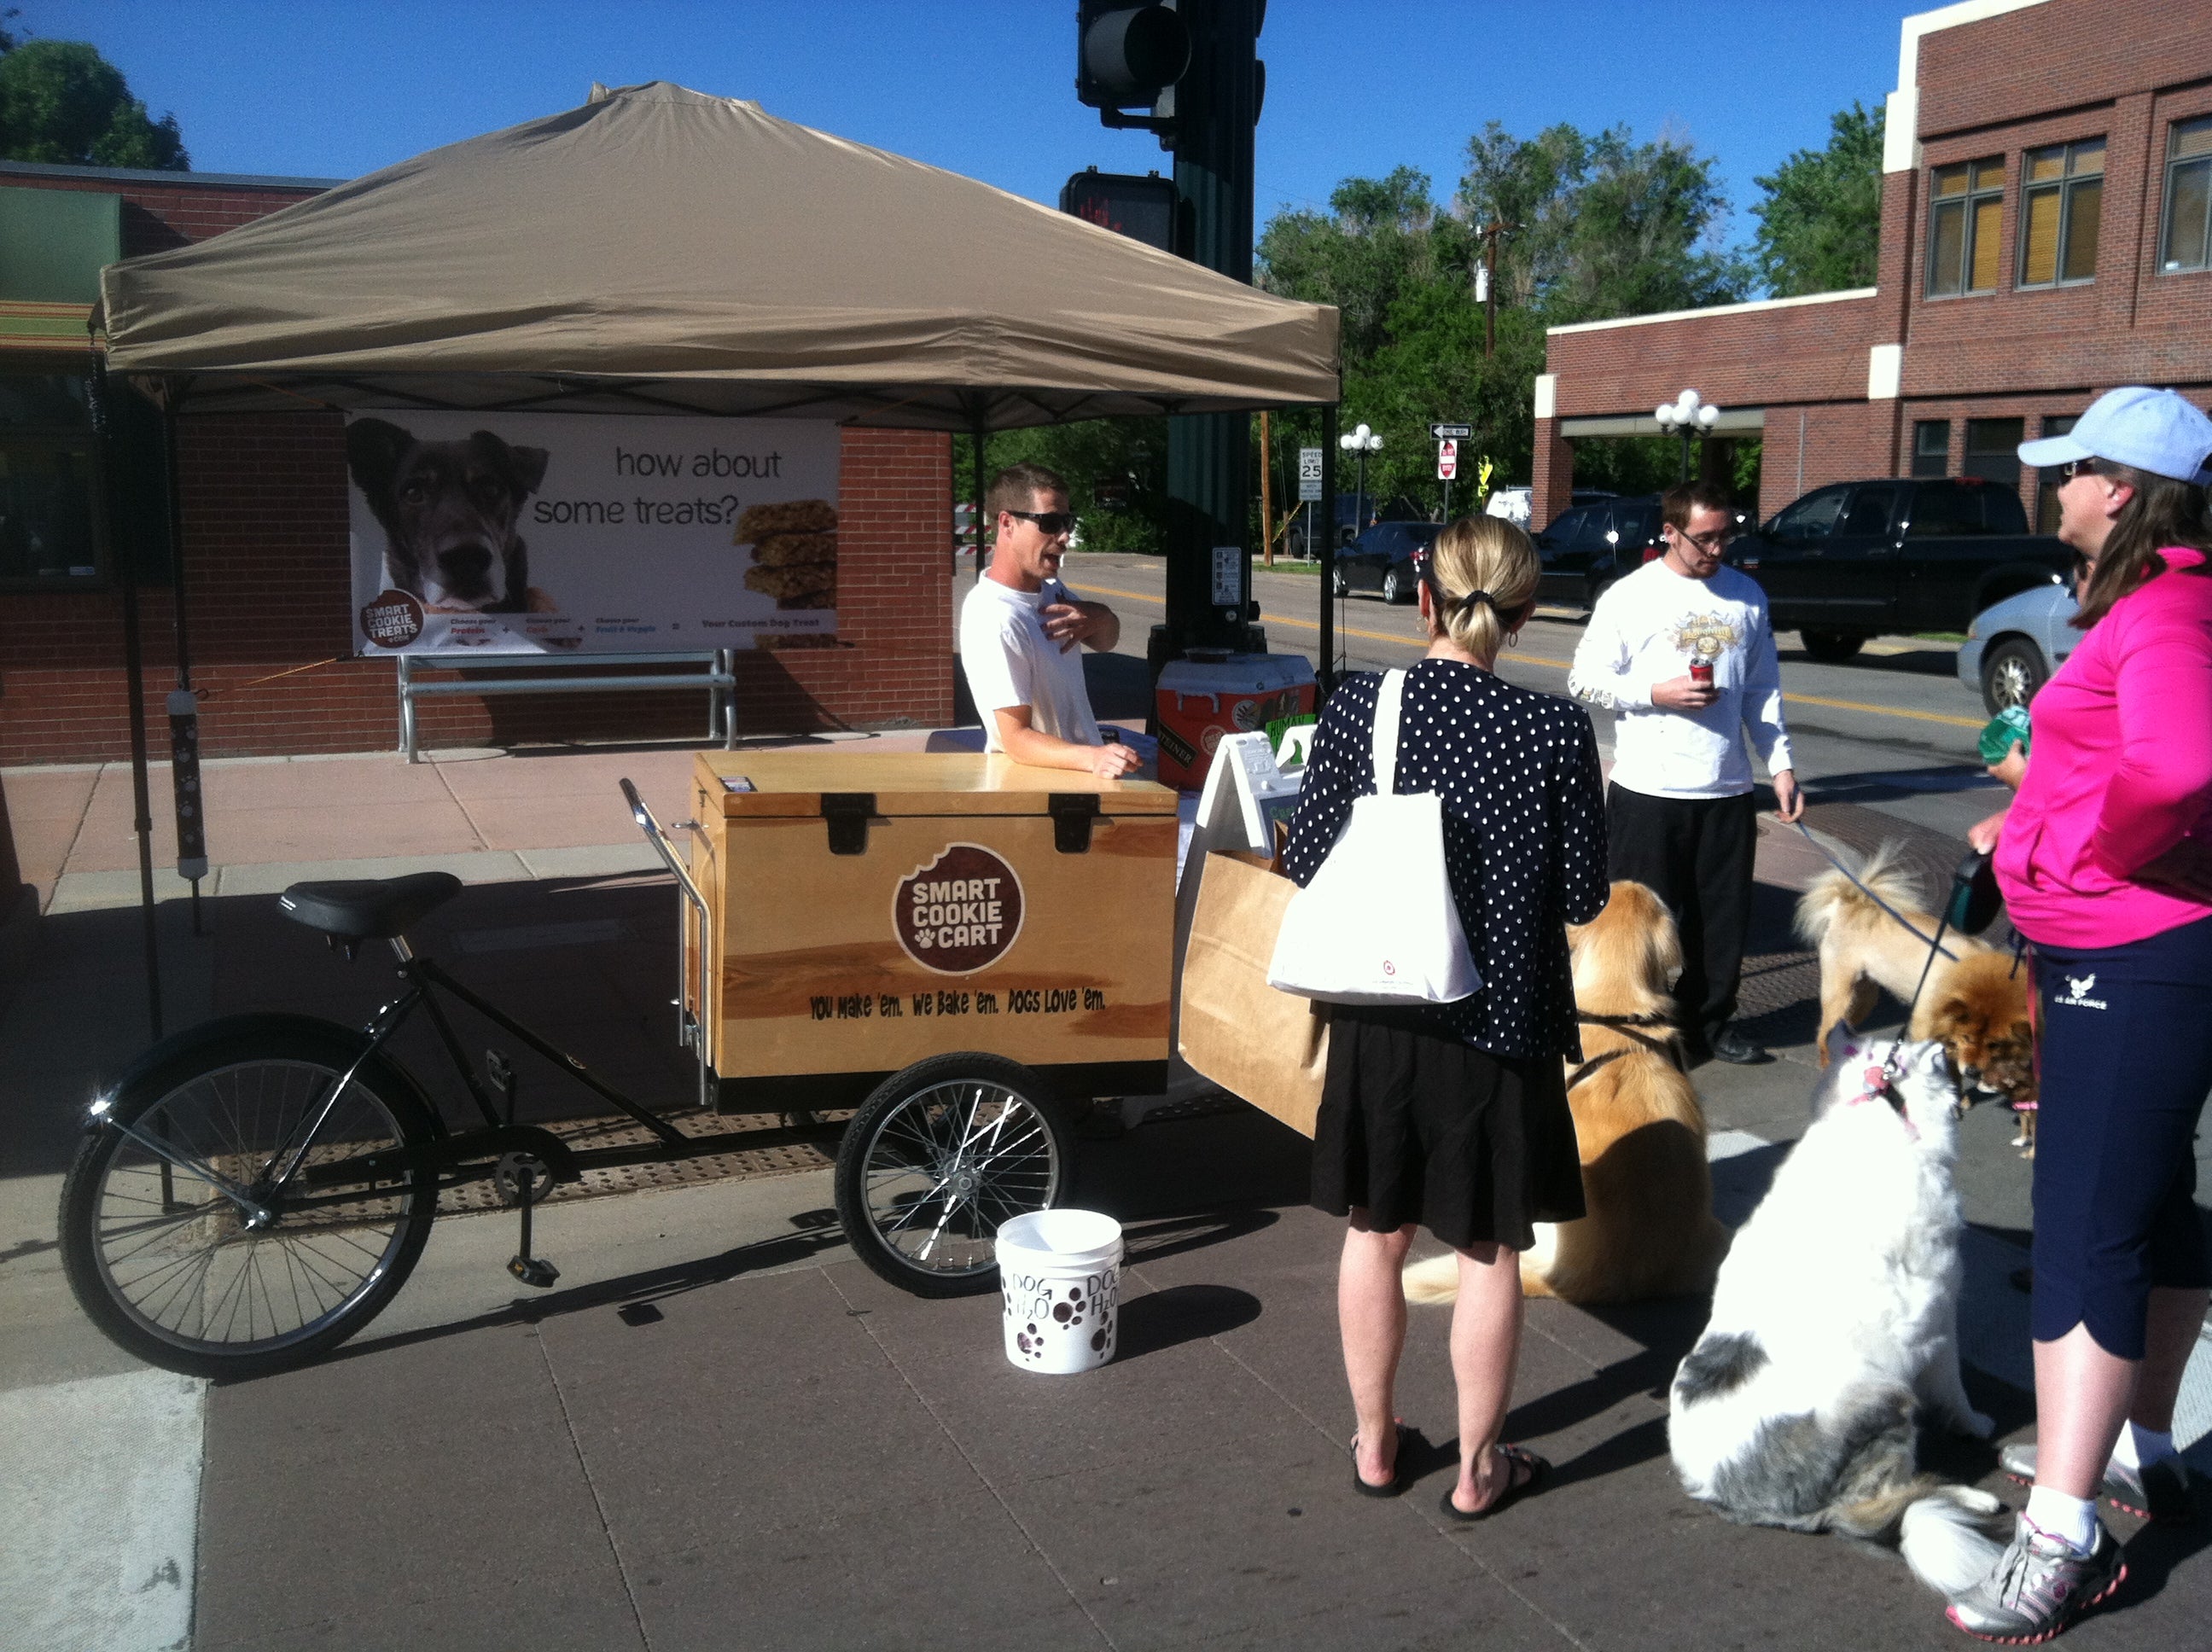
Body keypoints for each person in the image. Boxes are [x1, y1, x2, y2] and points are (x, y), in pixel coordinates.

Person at [1943, 387, 2212, 1643]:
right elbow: (2121, 755)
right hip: (2136, 948)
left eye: (2069, 471)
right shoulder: (2170, 599)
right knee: (2148, 1206)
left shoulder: (2164, 607)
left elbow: (2174, 769)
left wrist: (2086, 856)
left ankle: (2061, 1534)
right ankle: (2136, 1447)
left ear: (2120, 488)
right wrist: (2030, 825)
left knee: (2087, 1227)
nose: (2052, 490)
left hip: (2129, 951)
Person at [1282, 515, 1610, 1520]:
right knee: (1488, 1250)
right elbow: (1587, 895)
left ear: (1421, 595)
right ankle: (1479, 1469)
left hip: (1383, 1011)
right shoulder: (1553, 730)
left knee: (1376, 1230)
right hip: (1502, 1024)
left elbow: (1305, 862)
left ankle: (1376, 1443)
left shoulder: (1356, 708)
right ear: (1522, 616)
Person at [1568, 479, 1804, 1065]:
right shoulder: (1631, 596)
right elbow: (1583, 678)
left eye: (1726, 535)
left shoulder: (1747, 597)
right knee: (1637, 920)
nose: (1717, 550)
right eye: (1704, 539)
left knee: (1719, 922)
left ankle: (1710, 1025)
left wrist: (1779, 765)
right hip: (1649, 789)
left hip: (1725, 787)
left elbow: (1763, 689)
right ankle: (1631, 1027)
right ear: (1670, 532)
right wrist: (1655, 692)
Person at [959, 462, 1139, 780]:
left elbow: (1106, 640)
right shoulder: (993, 615)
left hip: (1078, 779)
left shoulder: (1051, 592)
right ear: (1007, 524)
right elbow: (1015, 739)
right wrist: (1094, 757)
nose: (1065, 536)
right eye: (1051, 522)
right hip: (1041, 790)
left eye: (1067, 521)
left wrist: (1100, 615)